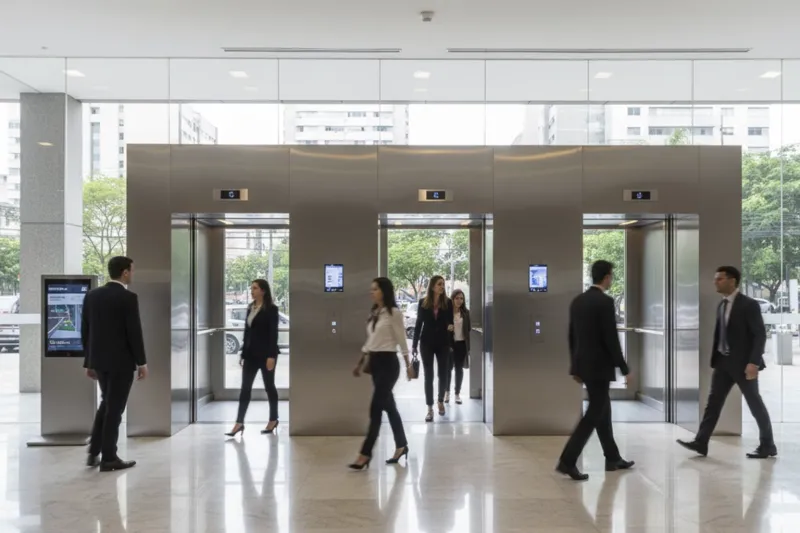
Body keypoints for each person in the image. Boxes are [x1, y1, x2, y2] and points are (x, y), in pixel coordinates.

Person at [677, 266, 776, 459]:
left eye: (719, 279)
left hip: (743, 365)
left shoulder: (749, 305)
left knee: (754, 403)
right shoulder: (722, 305)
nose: (715, 282)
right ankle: (701, 442)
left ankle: (768, 445)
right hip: (723, 363)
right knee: (713, 404)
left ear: (732, 281)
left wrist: (754, 363)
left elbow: (759, 335)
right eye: (716, 279)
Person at [556, 260, 634, 481]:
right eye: (611, 276)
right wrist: (624, 367)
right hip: (600, 368)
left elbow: (572, 337)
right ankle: (567, 460)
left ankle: (612, 457)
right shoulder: (605, 302)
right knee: (593, 414)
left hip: (585, 366)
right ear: (607, 277)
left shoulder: (578, 301)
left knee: (603, 410)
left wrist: (575, 366)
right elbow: (611, 338)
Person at [82, 256, 148, 472]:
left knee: (107, 403)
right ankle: (109, 457)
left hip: (99, 361)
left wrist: (89, 362)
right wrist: (142, 362)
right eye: (132, 270)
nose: (133, 274)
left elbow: (86, 331)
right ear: (125, 272)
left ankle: (94, 451)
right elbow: (134, 332)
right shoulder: (128, 298)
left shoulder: (92, 296)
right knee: (115, 408)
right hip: (121, 362)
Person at [349, 277, 413, 470]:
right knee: (389, 406)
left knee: (375, 408)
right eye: (371, 289)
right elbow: (371, 341)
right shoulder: (375, 312)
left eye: (375, 289)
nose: (372, 292)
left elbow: (402, 339)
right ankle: (402, 445)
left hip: (389, 364)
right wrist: (360, 362)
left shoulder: (394, 313)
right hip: (375, 363)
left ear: (384, 291)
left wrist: (408, 364)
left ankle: (365, 454)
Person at [226, 279, 280, 437]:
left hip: (266, 355)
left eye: (255, 288)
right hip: (250, 354)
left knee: (269, 387)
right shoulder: (250, 308)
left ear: (263, 290)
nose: (252, 291)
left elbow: (273, 334)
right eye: (251, 288)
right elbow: (247, 332)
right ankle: (239, 423)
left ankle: (273, 419)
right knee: (245, 389)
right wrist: (243, 353)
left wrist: (271, 355)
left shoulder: (271, 309)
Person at [412, 275, 454, 422]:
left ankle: (440, 401)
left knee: (443, 374)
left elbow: (450, 322)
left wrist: (450, 328)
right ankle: (429, 408)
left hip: (443, 343)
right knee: (428, 376)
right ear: (432, 287)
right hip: (426, 343)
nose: (442, 287)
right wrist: (414, 345)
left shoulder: (448, 303)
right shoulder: (423, 303)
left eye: (443, 284)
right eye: (439, 284)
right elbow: (418, 325)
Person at [445, 289, 471, 405]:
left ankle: (457, 394)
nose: (459, 300)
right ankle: (447, 393)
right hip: (450, 344)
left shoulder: (466, 313)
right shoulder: (447, 312)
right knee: (448, 369)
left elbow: (468, 328)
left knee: (459, 370)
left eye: (461, 298)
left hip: (461, 344)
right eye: (457, 298)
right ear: (452, 299)